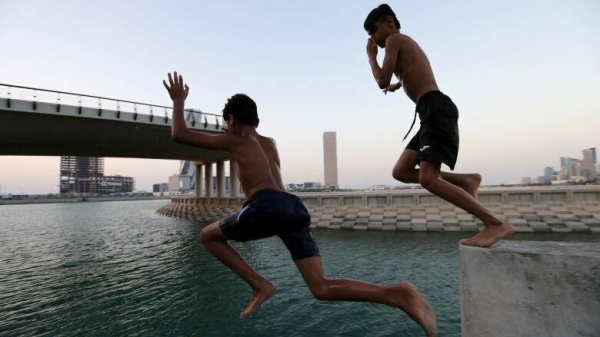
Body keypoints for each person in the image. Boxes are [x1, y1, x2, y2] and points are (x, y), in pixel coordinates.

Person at [163, 71, 437, 336]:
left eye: (229, 122)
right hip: (294, 207)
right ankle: (397, 295)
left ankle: (259, 285)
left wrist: (178, 101)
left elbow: (179, 134)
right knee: (321, 288)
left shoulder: (235, 139)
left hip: (266, 205)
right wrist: (235, 129)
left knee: (208, 236)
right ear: (257, 120)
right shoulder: (268, 142)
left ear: (231, 120)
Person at [364, 4, 514, 248]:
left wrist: (371, 58)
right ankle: (467, 181)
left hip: (435, 109)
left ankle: (495, 223)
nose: (373, 38)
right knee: (400, 172)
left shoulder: (394, 39)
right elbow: (410, 74)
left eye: (374, 29)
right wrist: (397, 86)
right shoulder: (404, 43)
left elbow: (382, 79)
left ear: (389, 21)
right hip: (429, 112)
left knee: (428, 179)